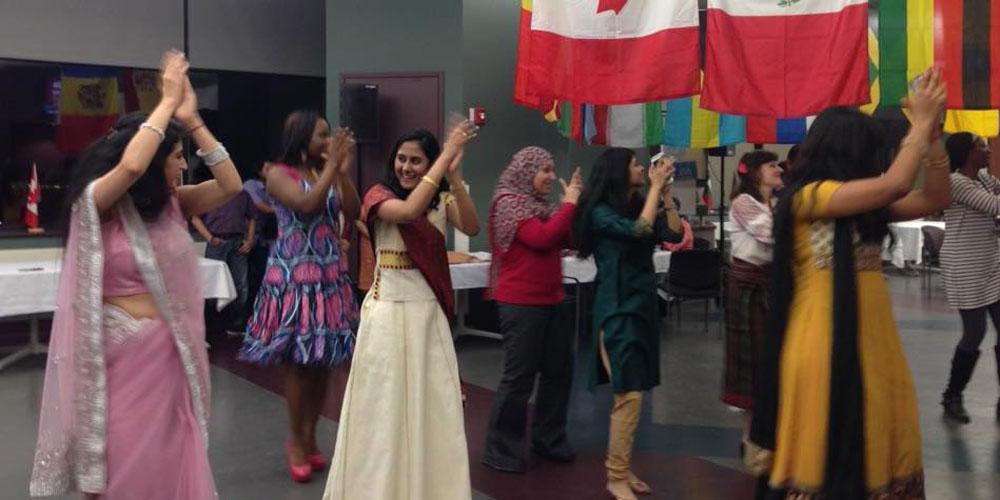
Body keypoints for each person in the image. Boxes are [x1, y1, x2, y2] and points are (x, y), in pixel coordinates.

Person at [30, 50, 243, 499]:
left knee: (169, 462)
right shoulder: (98, 202)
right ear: (152, 160)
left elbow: (230, 186)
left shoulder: (174, 204)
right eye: (176, 157)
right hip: (120, 364)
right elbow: (129, 167)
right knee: (127, 463)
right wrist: (164, 105)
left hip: (169, 360)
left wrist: (193, 120)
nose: (184, 166)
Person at [749, 71, 950, 498]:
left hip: (874, 342)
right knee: (829, 440)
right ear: (851, 152)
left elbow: (934, 199)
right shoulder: (809, 197)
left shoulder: (864, 206)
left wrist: (931, 137)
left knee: (879, 430)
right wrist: (916, 127)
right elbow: (896, 182)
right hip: (822, 345)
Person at [324, 123, 480, 500]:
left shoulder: (441, 199)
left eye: (416, 160)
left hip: (427, 316)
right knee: (383, 408)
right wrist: (444, 157)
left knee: (432, 408)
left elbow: (472, 226)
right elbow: (409, 213)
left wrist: (455, 177)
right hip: (387, 315)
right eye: (402, 159)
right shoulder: (378, 196)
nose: (406, 167)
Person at [238, 110, 361, 483]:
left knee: (323, 362)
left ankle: (310, 436)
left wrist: (341, 173)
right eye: (322, 135)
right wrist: (332, 168)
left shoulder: (324, 172)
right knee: (298, 363)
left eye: (329, 136)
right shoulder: (278, 174)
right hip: (294, 276)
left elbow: (353, 213)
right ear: (301, 139)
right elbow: (306, 207)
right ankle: (295, 440)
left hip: (328, 275)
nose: (328, 141)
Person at [572, 148, 682, 500]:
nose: (641, 168)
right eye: (636, 164)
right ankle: (615, 475)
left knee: (634, 388)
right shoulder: (601, 212)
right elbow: (640, 231)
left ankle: (622, 467)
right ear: (619, 172)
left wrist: (665, 194)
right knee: (629, 393)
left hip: (642, 304)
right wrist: (655, 189)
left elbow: (675, 235)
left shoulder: (638, 203)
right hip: (617, 307)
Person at [481, 147, 583, 473]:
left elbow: (568, 238)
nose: (552, 177)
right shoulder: (509, 203)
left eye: (553, 171)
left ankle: (548, 439)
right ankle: (500, 449)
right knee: (519, 378)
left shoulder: (541, 206)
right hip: (521, 304)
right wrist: (568, 206)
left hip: (551, 301)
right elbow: (542, 238)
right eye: (546, 171)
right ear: (527, 172)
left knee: (558, 373)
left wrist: (571, 210)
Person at [721, 151, 783, 444]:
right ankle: (750, 436)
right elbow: (771, 234)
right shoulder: (744, 203)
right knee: (752, 359)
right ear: (756, 172)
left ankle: (766, 429)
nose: (778, 169)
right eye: (772, 165)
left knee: (770, 356)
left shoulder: (776, 203)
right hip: (748, 284)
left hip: (770, 281)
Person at [939, 132, 1000, 423]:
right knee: (974, 332)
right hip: (964, 264)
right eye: (980, 145)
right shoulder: (956, 182)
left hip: (991, 261)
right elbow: (995, 207)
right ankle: (952, 395)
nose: (987, 149)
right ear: (966, 152)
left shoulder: (984, 178)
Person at [190, 183, 256, 335]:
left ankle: (236, 324)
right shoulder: (209, 194)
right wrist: (210, 238)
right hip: (217, 241)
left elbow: (252, 217)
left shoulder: (242, 194)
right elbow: (195, 218)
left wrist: (250, 240)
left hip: (238, 242)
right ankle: (211, 325)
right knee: (211, 284)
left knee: (240, 283)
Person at [244, 162, 278, 307]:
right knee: (247, 280)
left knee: (261, 278)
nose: (272, 172)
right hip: (246, 238)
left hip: (263, 239)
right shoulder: (251, 185)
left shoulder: (272, 187)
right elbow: (258, 205)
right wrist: (284, 210)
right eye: (268, 169)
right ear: (259, 171)